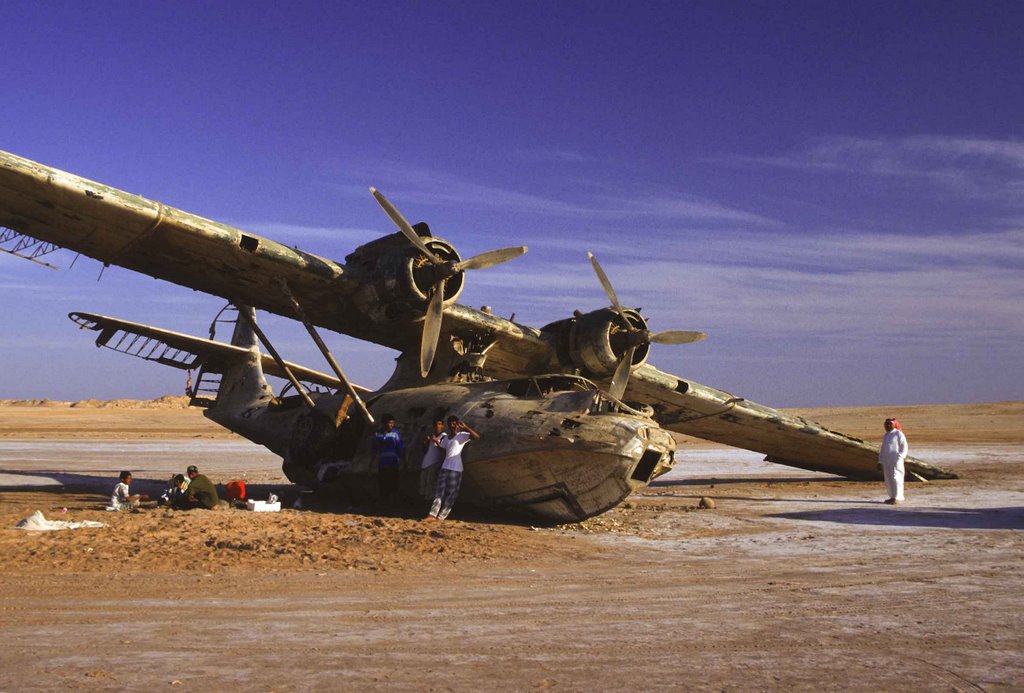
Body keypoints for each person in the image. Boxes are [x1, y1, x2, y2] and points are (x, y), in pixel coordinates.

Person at [427, 416, 480, 521]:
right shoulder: (446, 438)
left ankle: (441, 516)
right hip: (445, 467)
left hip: (456, 469)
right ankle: (432, 515)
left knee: (451, 493)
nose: (453, 425)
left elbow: (476, 437)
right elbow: (443, 449)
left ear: (458, 424)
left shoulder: (462, 436)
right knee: (439, 491)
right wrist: (437, 442)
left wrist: (465, 427)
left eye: (455, 423)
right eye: (451, 423)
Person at [372, 415, 405, 503]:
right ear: (383, 423)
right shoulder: (378, 434)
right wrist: (371, 463)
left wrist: (404, 462)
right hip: (382, 463)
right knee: (383, 481)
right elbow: (375, 448)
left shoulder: (395, 433)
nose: (391, 425)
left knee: (393, 481)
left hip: (393, 462)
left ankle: (393, 500)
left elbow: (400, 447)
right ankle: (384, 499)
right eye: (389, 423)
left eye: (392, 423)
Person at [878, 417, 908, 504]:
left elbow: (904, 447)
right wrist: (880, 461)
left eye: (890, 424)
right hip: (886, 461)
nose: (888, 425)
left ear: (894, 424)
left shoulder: (899, 434)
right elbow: (883, 449)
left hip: (896, 460)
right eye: (886, 424)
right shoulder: (886, 435)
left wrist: (900, 457)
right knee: (888, 479)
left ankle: (898, 497)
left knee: (896, 478)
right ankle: (892, 497)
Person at [419, 419, 447, 501]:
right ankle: (423, 501)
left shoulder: (444, 436)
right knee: (423, 484)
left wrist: (436, 441)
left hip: (434, 462)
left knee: (430, 485)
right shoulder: (432, 435)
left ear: (442, 426)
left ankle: (428, 502)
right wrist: (425, 442)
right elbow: (425, 450)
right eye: (435, 424)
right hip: (426, 462)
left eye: (439, 424)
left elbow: (443, 450)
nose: (437, 426)